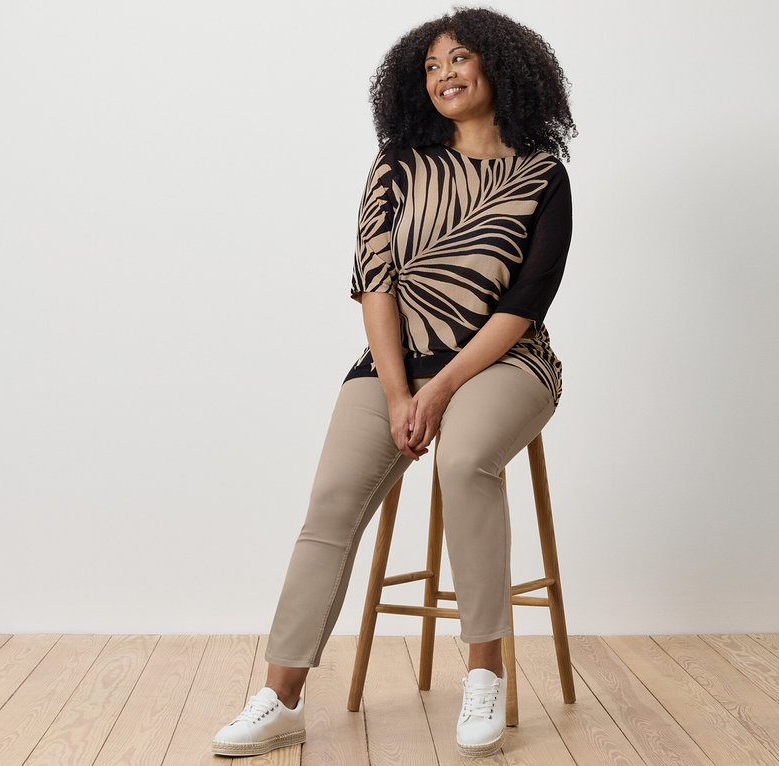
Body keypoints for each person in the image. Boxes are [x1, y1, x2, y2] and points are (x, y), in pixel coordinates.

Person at [212, 6, 577, 759]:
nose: (444, 75)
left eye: (459, 59)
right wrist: (397, 391)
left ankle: (485, 671)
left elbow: (524, 304)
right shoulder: (396, 166)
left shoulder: (543, 176)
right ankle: (280, 697)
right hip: (396, 365)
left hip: (505, 364)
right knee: (332, 503)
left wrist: (440, 392)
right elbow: (375, 285)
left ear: (501, 68)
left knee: (464, 460)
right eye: (431, 66)